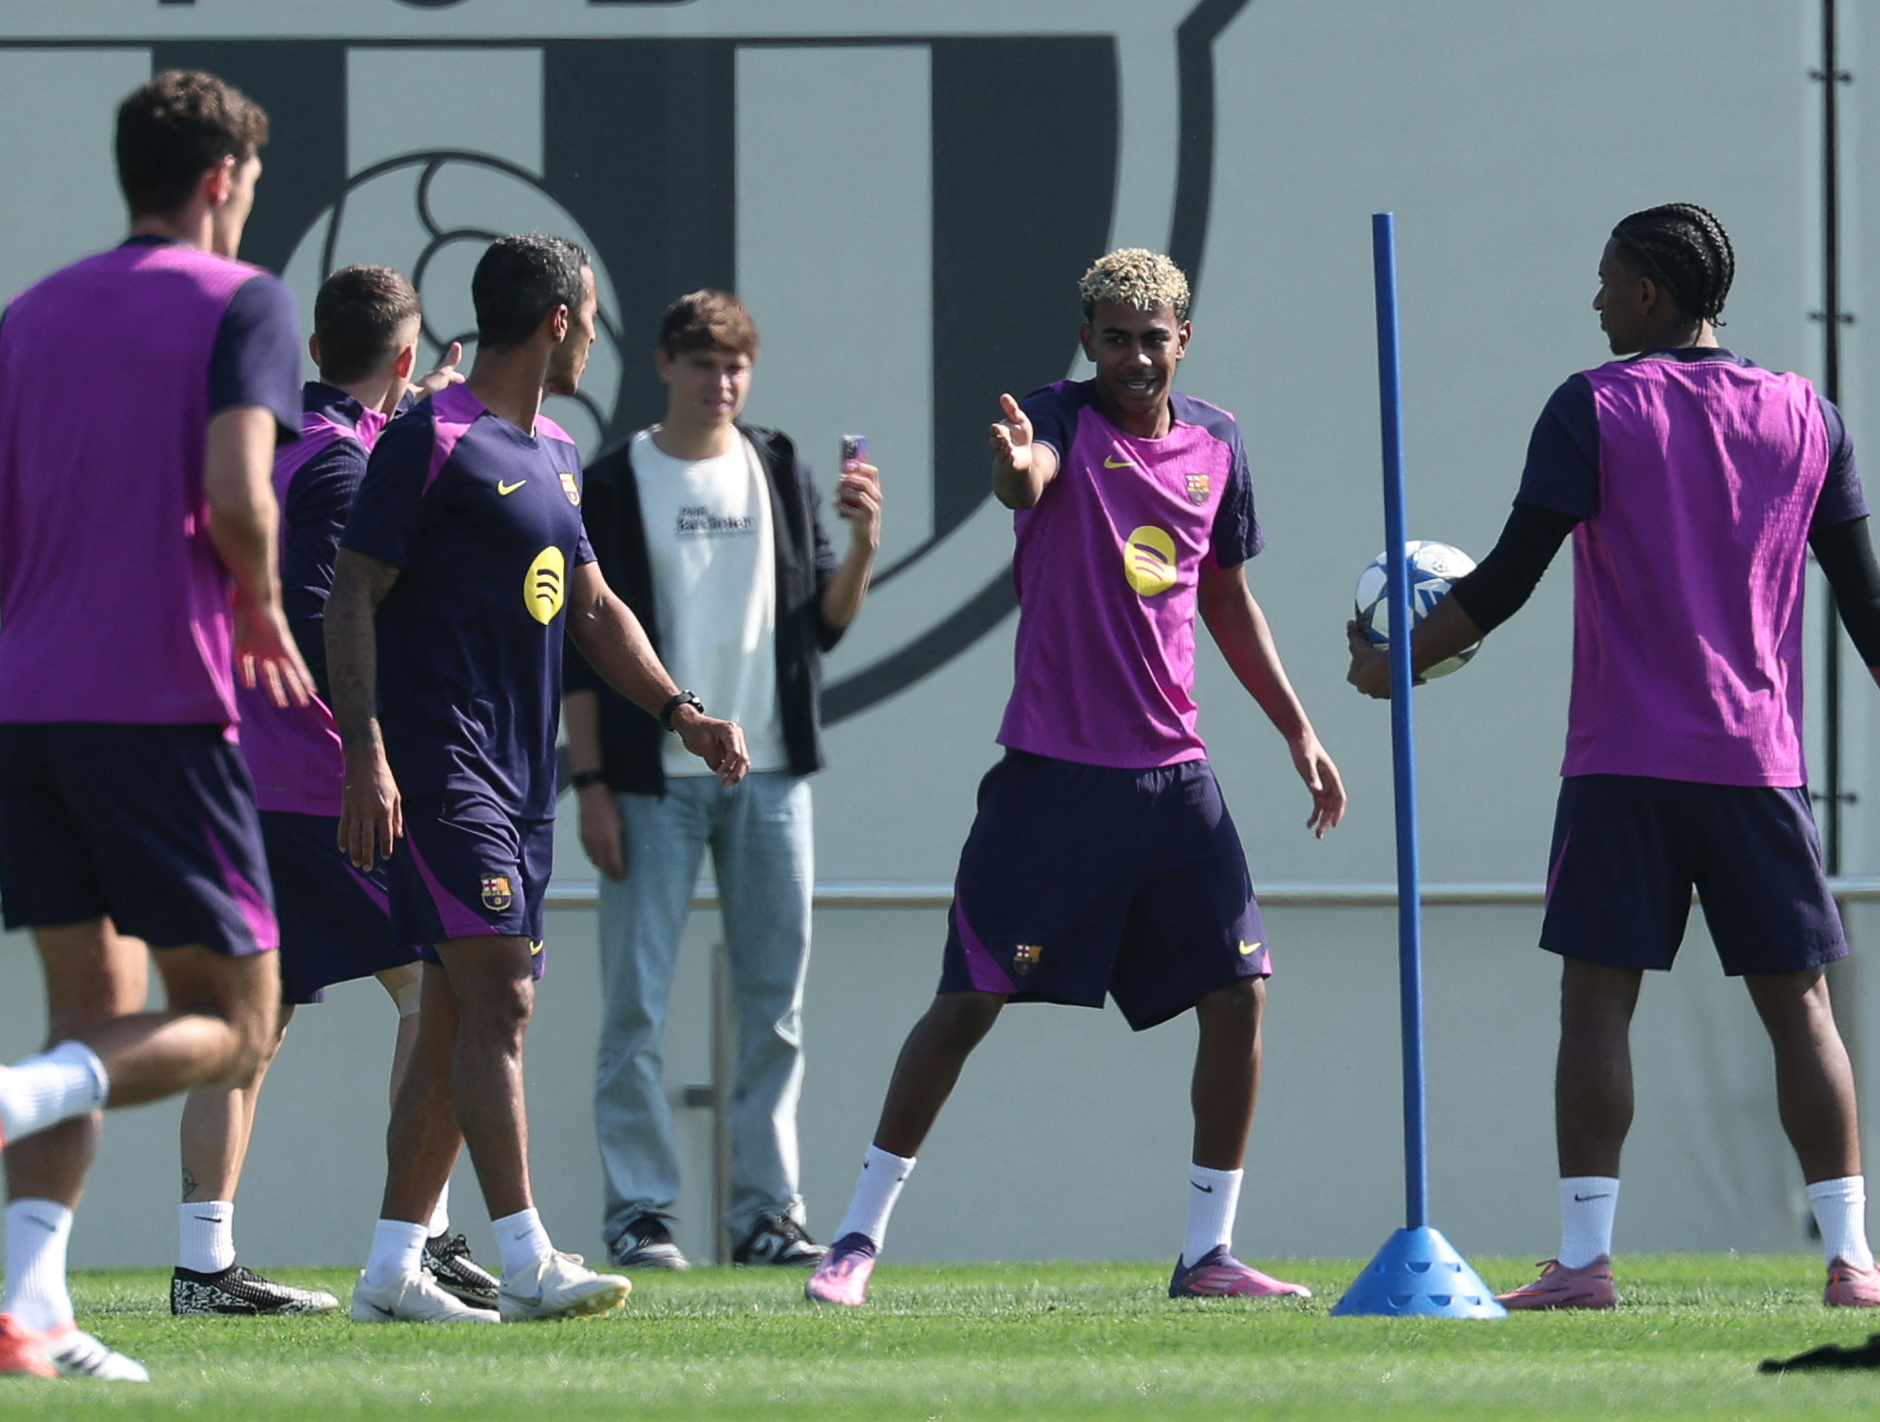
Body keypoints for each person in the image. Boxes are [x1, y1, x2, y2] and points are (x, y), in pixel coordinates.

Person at [1346, 202, 1880, 1312]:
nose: (1592, 302)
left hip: (1622, 762)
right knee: (1802, 1009)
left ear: (1648, 294)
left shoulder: (1593, 404)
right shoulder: (1804, 413)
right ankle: (1854, 1262)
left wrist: (1395, 664)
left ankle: (1585, 1266)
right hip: (1758, 765)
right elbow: (1866, 594)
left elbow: (1504, 581)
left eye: (1605, 283)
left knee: (1596, 1007)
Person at [805, 248, 1347, 1309]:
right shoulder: (1054, 418)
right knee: (966, 1003)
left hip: (1176, 782)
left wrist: (1297, 727)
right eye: (1115, 337)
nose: (1136, 356)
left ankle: (1207, 1255)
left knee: (1240, 993)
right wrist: (1013, 467)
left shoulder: (1221, 439)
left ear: (1182, 340)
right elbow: (1028, 476)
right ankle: (856, 1238)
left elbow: (1226, 598)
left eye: (1155, 337)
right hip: (1054, 779)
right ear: (1088, 340)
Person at [0, 70, 310, 1380]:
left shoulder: (29, 312)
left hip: (23, 706)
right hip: (158, 705)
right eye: (248, 183)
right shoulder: (244, 302)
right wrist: (257, 603)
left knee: (97, 1009)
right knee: (239, 1019)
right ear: (216, 180)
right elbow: (240, 493)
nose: (248, 203)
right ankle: (2, 1097)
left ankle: (30, 1309)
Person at [327, 234, 752, 1324]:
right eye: (594, 315)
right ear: (559, 319)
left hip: (523, 782)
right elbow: (351, 598)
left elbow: (596, 610)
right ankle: (526, 1254)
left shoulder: (556, 450)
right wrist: (366, 752)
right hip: (440, 767)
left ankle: (388, 1268)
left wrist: (680, 710)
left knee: (454, 1019)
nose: (599, 334)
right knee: (501, 996)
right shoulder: (429, 438)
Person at [170, 267, 496, 1315]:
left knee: (250, 1021)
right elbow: (325, 612)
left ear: (316, 352)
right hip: (322, 780)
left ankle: (201, 1262)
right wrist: (366, 747)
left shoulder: (276, 440)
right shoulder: (347, 469)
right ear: (403, 360)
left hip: (231, 772)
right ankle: (426, 1235)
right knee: (435, 987)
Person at [566, 291, 884, 1272]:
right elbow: (583, 642)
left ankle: (765, 1214)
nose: (723, 380)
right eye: (703, 362)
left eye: (736, 363)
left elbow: (824, 622)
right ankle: (639, 1213)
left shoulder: (780, 463)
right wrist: (590, 784)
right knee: (635, 1005)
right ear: (663, 365)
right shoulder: (615, 479)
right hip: (648, 782)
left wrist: (864, 541)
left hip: (775, 777)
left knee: (773, 1007)